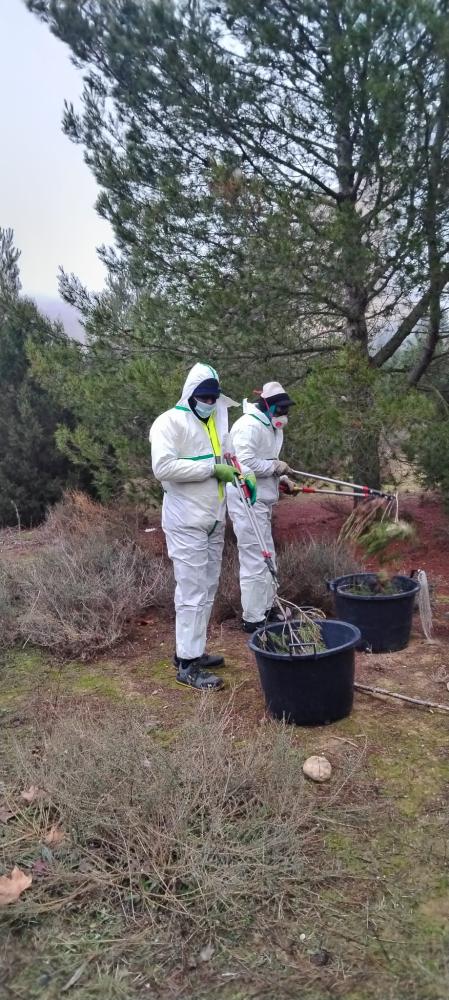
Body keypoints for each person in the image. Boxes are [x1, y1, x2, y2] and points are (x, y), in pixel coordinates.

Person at [149, 362, 256, 690]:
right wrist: (211, 468)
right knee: (192, 591)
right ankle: (187, 664)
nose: (209, 402)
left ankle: (191, 650)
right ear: (190, 394)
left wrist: (244, 474)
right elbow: (163, 467)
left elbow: (229, 457)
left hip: (213, 518)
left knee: (207, 588)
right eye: (204, 396)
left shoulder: (216, 421)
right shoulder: (170, 422)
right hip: (186, 521)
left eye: (213, 397)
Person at [226, 381, 295, 632]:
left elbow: (268, 460)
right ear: (266, 405)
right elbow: (243, 463)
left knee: (268, 555)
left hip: (263, 499)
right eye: (280, 409)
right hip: (246, 497)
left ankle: (267, 608)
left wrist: (282, 479)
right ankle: (253, 618)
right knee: (255, 557)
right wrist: (274, 468)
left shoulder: (272, 427)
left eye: (286, 410)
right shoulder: (248, 426)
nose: (283, 414)